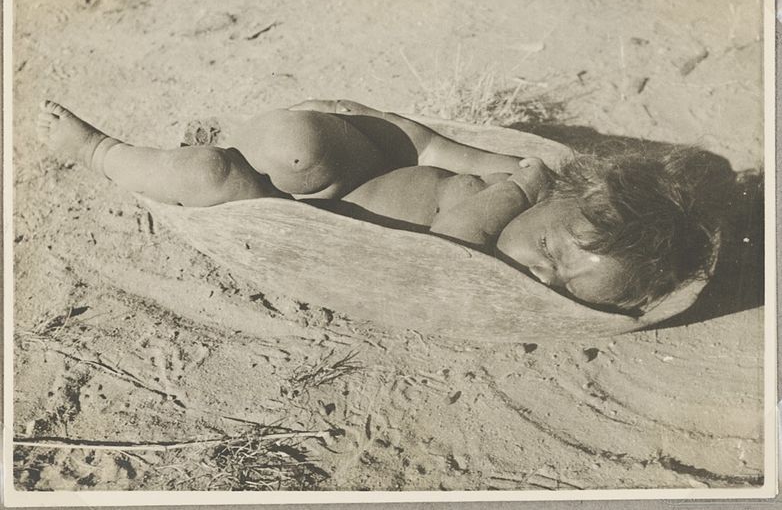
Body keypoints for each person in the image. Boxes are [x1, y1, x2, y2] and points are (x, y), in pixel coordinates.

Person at [36, 98, 724, 310]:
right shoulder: (521, 174)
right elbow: (427, 149)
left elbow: (451, 242)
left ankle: (99, 152)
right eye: (549, 252)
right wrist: (506, 170)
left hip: (305, 226)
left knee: (213, 172)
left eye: (566, 289)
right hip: (356, 177)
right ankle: (251, 133)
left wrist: (517, 188)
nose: (543, 278)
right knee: (299, 140)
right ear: (578, 192)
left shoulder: (490, 237)